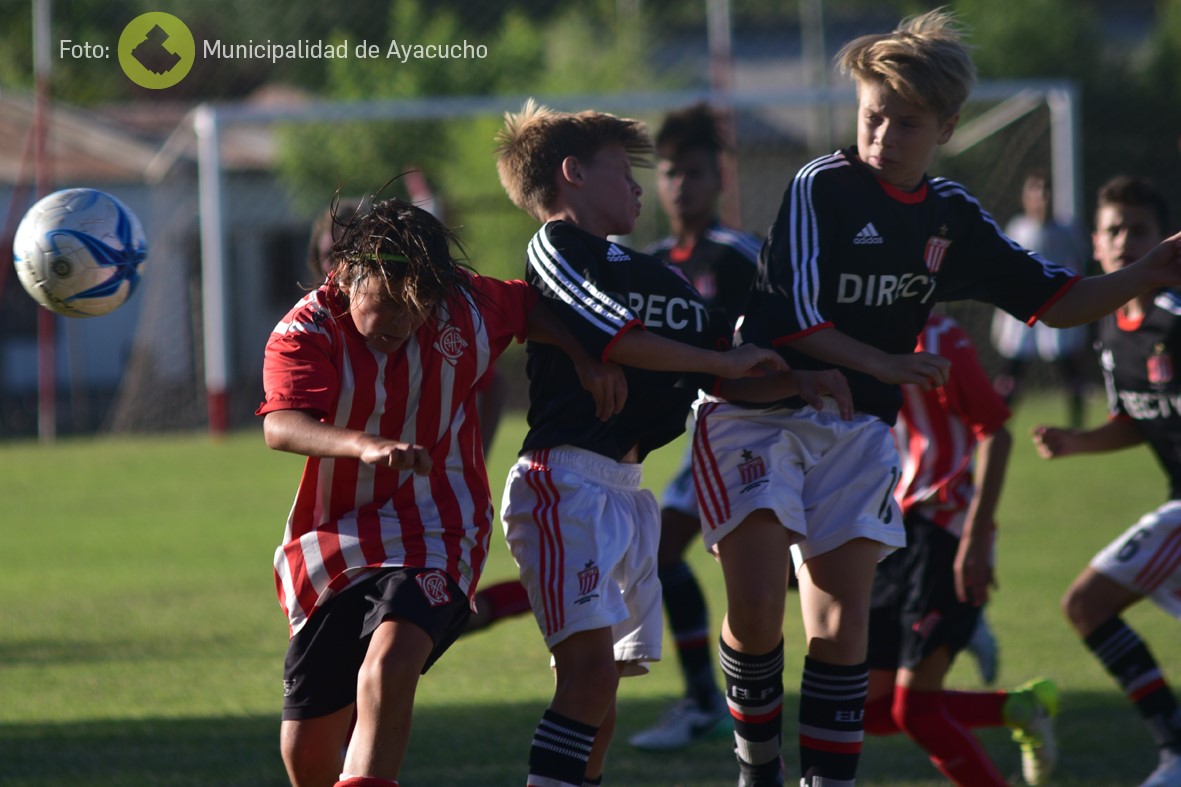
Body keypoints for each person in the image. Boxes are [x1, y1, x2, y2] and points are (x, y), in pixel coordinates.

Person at [690, 10, 1181, 787]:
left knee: (839, 623)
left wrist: (1143, 273)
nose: (881, 136)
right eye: (871, 116)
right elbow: (796, 318)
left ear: (946, 128)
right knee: (754, 606)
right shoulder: (822, 185)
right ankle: (757, 769)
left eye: (905, 123)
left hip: (854, 427)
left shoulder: (948, 214)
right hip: (759, 412)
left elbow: (1054, 300)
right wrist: (882, 361)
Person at [494, 99, 850, 787]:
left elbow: (723, 372)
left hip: (626, 494)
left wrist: (798, 381)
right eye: (623, 172)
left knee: (602, 693)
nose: (640, 188)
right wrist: (720, 362)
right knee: (588, 678)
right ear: (572, 174)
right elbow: (618, 337)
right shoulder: (557, 247)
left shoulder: (655, 274)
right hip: (563, 482)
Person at [257, 195, 624, 787]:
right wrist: (364, 445)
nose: (399, 327)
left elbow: (532, 307)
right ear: (348, 275)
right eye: (385, 308)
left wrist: (584, 358)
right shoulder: (307, 328)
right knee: (306, 754)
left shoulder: (466, 307)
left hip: (438, 526)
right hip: (333, 540)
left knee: (390, 663)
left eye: (415, 313)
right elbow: (280, 425)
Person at [865, 309, 1056, 787]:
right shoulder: (853, 329)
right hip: (890, 527)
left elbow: (995, 433)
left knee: (917, 712)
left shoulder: (937, 336)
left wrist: (975, 537)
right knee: (868, 709)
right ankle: (1019, 708)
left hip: (944, 528)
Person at [1032, 175, 1181, 787]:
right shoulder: (1111, 326)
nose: (1124, 241)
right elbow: (1139, 421)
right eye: (1113, 230)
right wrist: (1078, 442)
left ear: (1165, 241)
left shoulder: (1176, 317)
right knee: (1087, 606)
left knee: (1087, 603)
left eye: (1138, 230)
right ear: (1095, 243)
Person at [628, 102, 761, 751]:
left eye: (696, 172)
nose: (682, 184)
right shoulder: (651, 262)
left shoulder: (740, 255)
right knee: (658, 555)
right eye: (671, 172)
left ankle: (932, 620)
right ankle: (705, 700)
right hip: (705, 434)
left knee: (795, 571)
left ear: (719, 180)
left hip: (762, 432)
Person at [990, 170, 1090, 426]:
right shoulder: (1017, 228)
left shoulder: (1067, 229)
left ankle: (1077, 425)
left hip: (1057, 305)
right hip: (1022, 311)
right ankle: (997, 422)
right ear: (1025, 198)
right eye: (1035, 191)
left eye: (1046, 191)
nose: (1042, 198)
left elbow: (1081, 264)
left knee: (1068, 368)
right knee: (1013, 369)